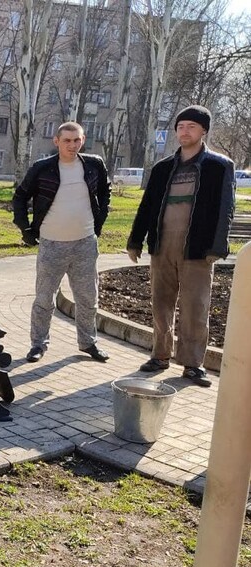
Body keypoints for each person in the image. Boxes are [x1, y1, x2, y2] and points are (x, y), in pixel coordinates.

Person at [127, 105, 235, 387]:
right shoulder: (163, 168)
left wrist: (217, 246)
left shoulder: (218, 166)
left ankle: (192, 363)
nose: (184, 131)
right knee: (160, 303)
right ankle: (160, 355)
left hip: (197, 250)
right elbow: (147, 206)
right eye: (180, 126)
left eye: (191, 126)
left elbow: (225, 209)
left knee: (195, 307)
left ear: (204, 131)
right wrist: (135, 240)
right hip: (162, 246)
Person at [12, 121, 112, 365]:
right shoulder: (42, 168)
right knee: (44, 298)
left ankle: (88, 342)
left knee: (88, 298)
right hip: (52, 244)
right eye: (67, 140)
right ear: (56, 141)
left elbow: (105, 191)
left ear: (83, 140)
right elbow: (20, 197)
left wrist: (99, 221)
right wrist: (25, 228)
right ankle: (38, 344)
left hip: (85, 244)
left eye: (77, 140)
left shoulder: (93, 165)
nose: (72, 145)